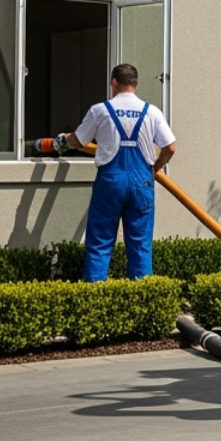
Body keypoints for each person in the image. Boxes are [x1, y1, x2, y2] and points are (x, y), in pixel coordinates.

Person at [66, 64, 177, 281]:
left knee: (100, 243)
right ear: (135, 84)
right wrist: (157, 166)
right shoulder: (152, 112)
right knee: (140, 245)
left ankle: (95, 295)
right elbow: (170, 147)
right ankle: (143, 295)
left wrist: (63, 140)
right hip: (142, 182)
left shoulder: (100, 110)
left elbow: (78, 141)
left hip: (110, 182)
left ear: (114, 83)